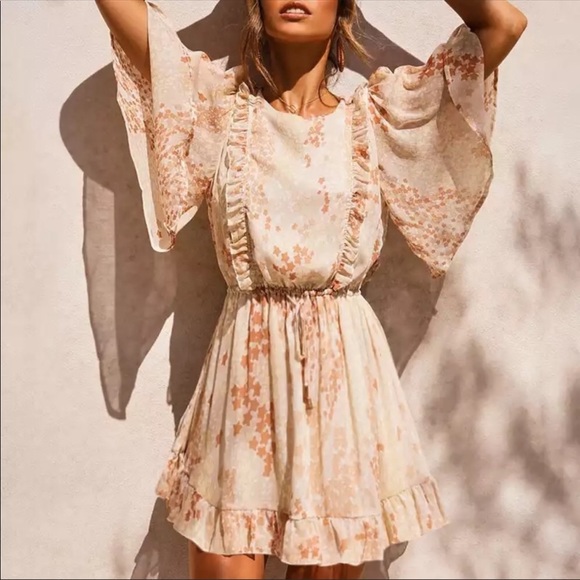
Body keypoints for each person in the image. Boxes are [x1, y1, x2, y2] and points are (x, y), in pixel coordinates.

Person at [95, 1, 527, 578]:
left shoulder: (378, 118)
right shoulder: (216, 109)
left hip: (342, 379)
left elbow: (503, 23)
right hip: (243, 379)